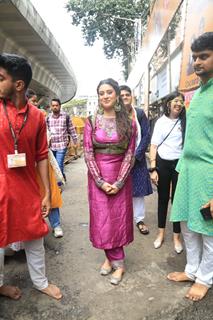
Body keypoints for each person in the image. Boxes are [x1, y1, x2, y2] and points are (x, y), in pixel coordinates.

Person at [0, 53, 62, 300]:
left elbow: (41, 156)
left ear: (18, 85)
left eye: (0, 78)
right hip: (1, 186)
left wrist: (46, 192)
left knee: (35, 235)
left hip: (26, 188)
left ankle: (40, 282)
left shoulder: (37, 116)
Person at [167, 32, 213, 301]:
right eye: (195, 57)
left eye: (204, 56)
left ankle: (206, 278)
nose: (197, 62)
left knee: (208, 228)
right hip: (188, 171)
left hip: (209, 174)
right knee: (187, 225)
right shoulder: (197, 94)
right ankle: (192, 270)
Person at [83, 78, 136, 285]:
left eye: (109, 92)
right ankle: (109, 257)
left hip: (120, 176)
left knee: (117, 219)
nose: (105, 96)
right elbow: (88, 152)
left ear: (117, 95)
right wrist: (100, 181)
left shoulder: (129, 123)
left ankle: (119, 264)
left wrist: (120, 181)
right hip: (98, 178)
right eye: (101, 93)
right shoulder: (91, 121)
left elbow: (130, 154)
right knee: (102, 219)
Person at [149, 92, 186, 253]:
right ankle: (161, 233)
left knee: (177, 201)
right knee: (163, 199)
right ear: (169, 103)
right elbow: (154, 146)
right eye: (175, 101)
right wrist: (153, 169)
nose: (178, 104)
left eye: (181, 101)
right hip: (163, 163)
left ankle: (176, 237)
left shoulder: (185, 121)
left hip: (180, 164)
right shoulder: (161, 122)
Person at [26, 89, 64, 238]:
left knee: (51, 194)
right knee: (32, 197)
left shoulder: (40, 116)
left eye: (36, 101)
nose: (36, 104)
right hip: (27, 167)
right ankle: (37, 226)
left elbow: (46, 140)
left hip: (43, 163)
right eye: (33, 101)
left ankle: (56, 225)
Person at [120, 85, 152, 235]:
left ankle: (139, 220)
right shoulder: (114, 114)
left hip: (137, 160)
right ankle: (122, 219)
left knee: (138, 192)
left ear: (131, 96)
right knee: (120, 189)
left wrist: (136, 155)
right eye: (122, 95)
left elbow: (146, 135)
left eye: (127, 94)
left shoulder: (139, 113)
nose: (125, 97)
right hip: (119, 160)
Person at [47, 98, 78, 182]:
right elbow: (46, 131)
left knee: (59, 164)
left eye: (56, 105)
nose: (55, 107)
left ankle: (59, 185)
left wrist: (75, 141)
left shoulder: (66, 116)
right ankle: (62, 176)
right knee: (54, 165)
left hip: (62, 145)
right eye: (53, 106)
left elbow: (71, 129)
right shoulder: (48, 118)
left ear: (60, 106)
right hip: (51, 146)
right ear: (51, 107)